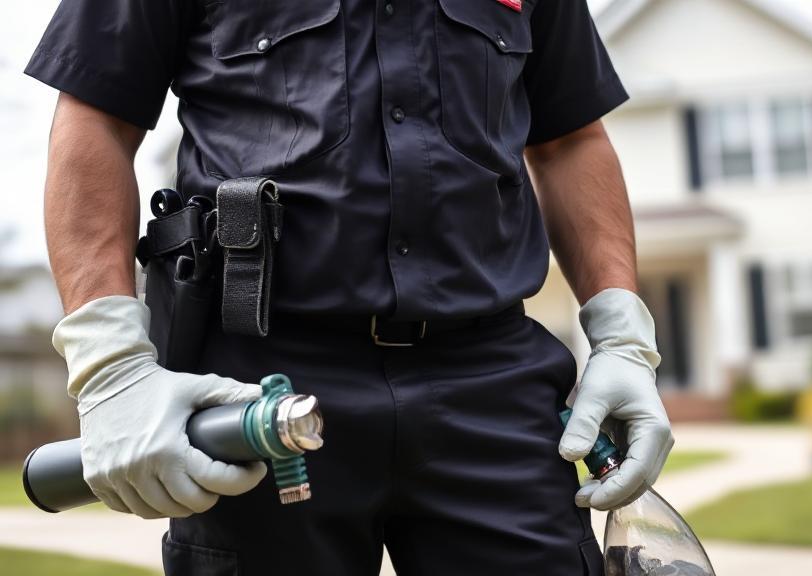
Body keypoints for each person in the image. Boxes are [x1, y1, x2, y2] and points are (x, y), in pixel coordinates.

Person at [26, 0, 673, 574]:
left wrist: (622, 336)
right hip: (259, 385)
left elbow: (571, 141)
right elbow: (96, 121)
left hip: (489, 379)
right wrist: (109, 364)